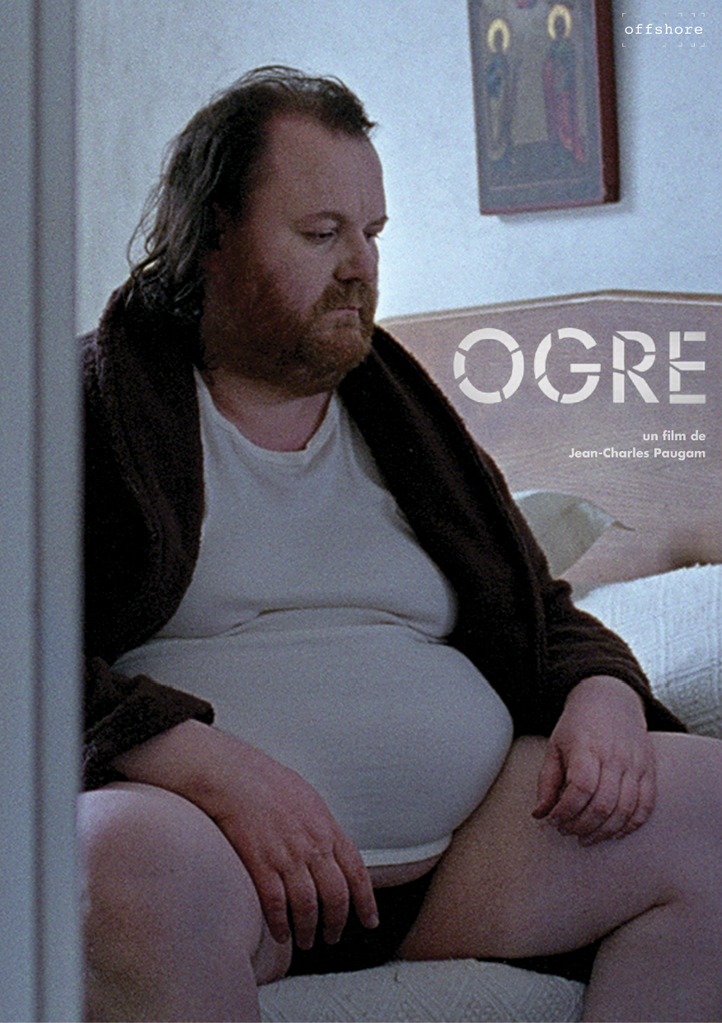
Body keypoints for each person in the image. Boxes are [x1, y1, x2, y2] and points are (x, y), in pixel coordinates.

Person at [79, 66, 722, 1023]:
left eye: (372, 233)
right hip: (219, 869)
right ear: (213, 235)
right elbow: (23, 662)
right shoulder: (95, 411)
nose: (359, 267)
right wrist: (211, 768)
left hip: (457, 862)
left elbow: (538, 608)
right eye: (321, 233)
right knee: (110, 862)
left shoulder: (403, 412)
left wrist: (604, 694)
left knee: (713, 803)